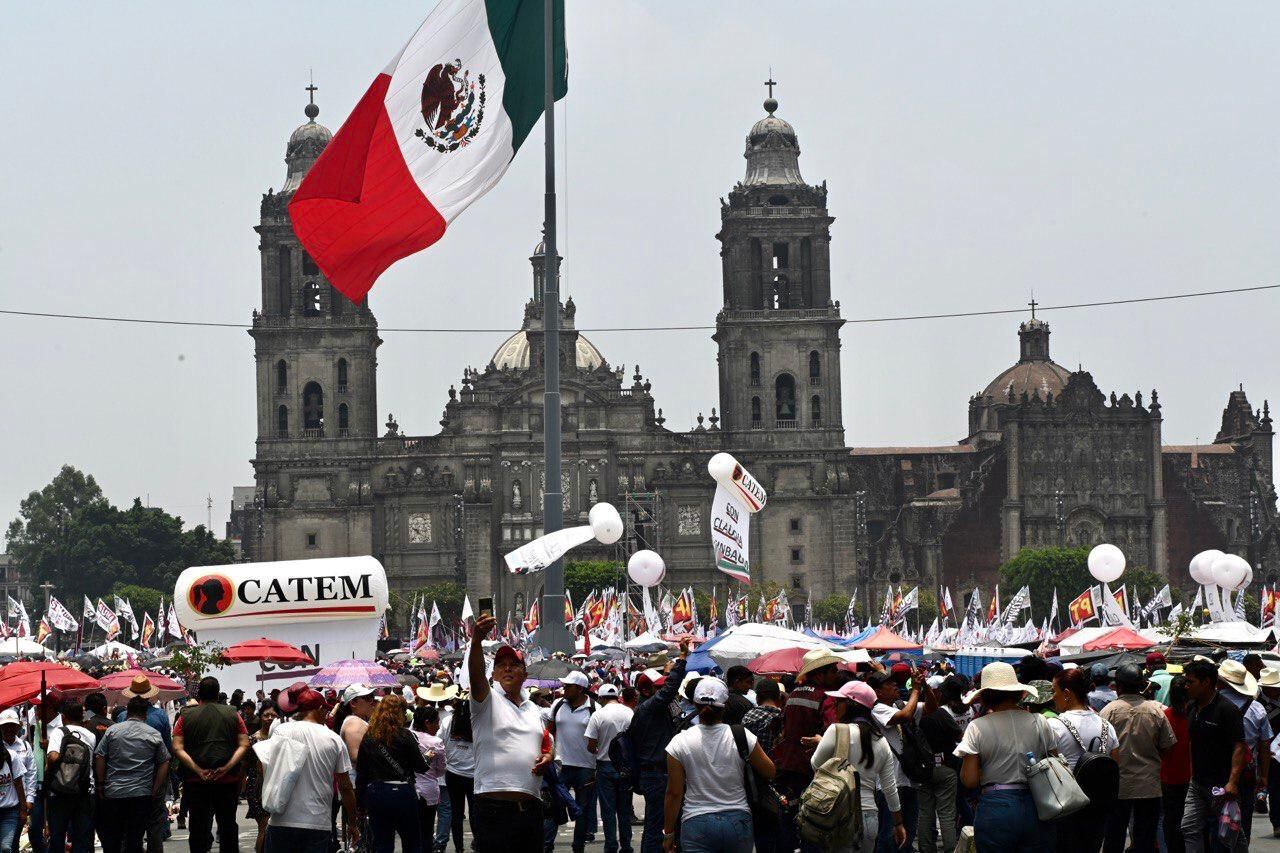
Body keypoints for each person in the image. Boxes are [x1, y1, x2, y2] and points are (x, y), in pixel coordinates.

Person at [468, 613, 551, 853]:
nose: (507, 669)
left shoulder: (534, 709)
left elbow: (545, 743)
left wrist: (547, 757)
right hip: (493, 809)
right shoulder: (486, 700)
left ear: (525, 674)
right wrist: (476, 641)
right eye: (501, 665)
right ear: (492, 675)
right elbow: (475, 674)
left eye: (514, 664)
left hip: (531, 809)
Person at [663, 677, 775, 853]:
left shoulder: (679, 742)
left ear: (694, 703)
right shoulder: (741, 735)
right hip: (737, 821)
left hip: (696, 822)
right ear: (725, 704)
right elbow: (770, 771)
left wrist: (668, 833)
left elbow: (674, 793)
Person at [954, 661, 1055, 852]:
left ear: (984, 696)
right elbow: (1054, 761)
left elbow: (969, 780)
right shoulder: (1039, 721)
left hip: (996, 807)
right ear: (1018, 693)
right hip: (1038, 804)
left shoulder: (977, 727)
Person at [812, 680, 906, 851]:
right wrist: (898, 823)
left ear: (851, 704)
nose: (835, 705)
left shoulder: (836, 731)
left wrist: (824, 745)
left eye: (839, 701)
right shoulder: (881, 740)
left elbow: (816, 765)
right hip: (869, 817)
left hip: (837, 814)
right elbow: (889, 788)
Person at [265, 685, 359, 853]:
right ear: (320, 708)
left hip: (281, 820)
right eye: (326, 710)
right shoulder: (333, 739)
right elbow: (345, 787)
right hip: (316, 823)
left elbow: (266, 768)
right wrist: (352, 823)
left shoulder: (280, 731)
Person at [1099, 663, 1175, 853]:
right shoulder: (1156, 711)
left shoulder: (1108, 711)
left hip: (1117, 786)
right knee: (1145, 839)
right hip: (1148, 785)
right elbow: (1168, 747)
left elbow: (1102, 751)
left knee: (1113, 837)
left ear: (1119, 686)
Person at [772, 648, 844, 849]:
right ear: (820, 674)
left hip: (788, 766)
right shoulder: (825, 697)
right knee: (813, 820)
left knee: (792, 815)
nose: (836, 674)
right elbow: (833, 731)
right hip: (812, 768)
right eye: (833, 670)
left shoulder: (793, 694)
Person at [171, 676, 251, 853]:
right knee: (228, 825)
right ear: (217, 693)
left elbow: (177, 747)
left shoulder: (185, 716)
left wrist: (198, 770)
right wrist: (227, 767)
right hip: (227, 780)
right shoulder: (233, 714)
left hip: (196, 781)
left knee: (198, 827)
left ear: (199, 694)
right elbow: (244, 744)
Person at [1046, 667, 1118, 853]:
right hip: (1098, 809)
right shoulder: (1106, 726)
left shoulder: (1054, 725)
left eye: (1055, 691)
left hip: (1065, 809)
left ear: (1067, 693)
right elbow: (1116, 764)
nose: (1053, 697)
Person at [1179, 658, 1247, 853]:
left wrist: (1233, 782)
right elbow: (1193, 742)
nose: (1186, 686)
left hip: (1221, 786)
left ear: (1206, 682)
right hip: (1198, 783)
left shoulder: (1227, 709)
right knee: (1189, 827)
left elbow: (1239, 747)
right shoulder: (1192, 707)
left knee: (1230, 832)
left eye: (1191, 682)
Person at [629, 643, 689, 853]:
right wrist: (682, 658)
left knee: (662, 826)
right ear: (647, 690)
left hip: (657, 774)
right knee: (656, 828)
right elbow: (671, 688)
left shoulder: (652, 711)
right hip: (656, 775)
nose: (663, 692)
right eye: (658, 688)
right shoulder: (649, 708)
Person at [94, 696, 171, 853]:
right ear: (145, 715)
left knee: (115, 836)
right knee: (135, 838)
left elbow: (99, 756)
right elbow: (165, 761)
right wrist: (155, 788)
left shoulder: (112, 731)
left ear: (127, 712)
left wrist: (101, 784)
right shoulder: (154, 734)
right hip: (141, 794)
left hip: (114, 793)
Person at [869, 666, 931, 853]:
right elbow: (905, 716)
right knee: (888, 838)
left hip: (908, 781)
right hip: (889, 784)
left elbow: (931, 708)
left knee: (907, 836)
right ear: (877, 691)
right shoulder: (877, 709)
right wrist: (915, 690)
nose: (895, 685)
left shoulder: (899, 704)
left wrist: (924, 686)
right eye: (889, 683)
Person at [357, 694, 429, 853]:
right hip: (403, 792)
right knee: (412, 842)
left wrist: (361, 803)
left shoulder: (369, 736)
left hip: (377, 793)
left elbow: (362, 771)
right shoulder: (405, 735)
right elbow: (421, 767)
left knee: (382, 843)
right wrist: (428, 758)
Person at [115, 675, 173, 853]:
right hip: (155, 775)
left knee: (130, 825)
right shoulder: (161, 716)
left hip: (126, 778)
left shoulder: (122, 717)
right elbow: (167, 750)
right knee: (154, 823)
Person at [1216, 658, 1270, 842]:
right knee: (1243, 819)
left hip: (1214, 771)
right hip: (1246, 773)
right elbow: (1264, 745)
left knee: (1213, 819)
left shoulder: (1210, 705)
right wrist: (1263, 775)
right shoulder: (1257, 709)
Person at [546, 670, 598, 853]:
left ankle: (578, 847)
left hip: (586, 767)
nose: (564, 689)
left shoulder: (594, 708)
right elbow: (549, 731)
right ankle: (547, 846)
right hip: (561, 765)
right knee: (553, 806)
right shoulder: (558, 705)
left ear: (579, 688)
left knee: (582, 811)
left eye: (568, 686)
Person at [917, 674, 964, 853]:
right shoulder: (940, 714)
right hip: (945, 766)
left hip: (921, 768)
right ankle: (951, 849)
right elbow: (959, 736)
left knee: (925, 812)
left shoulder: (915, 714)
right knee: (946, 813)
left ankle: (926, 849)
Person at [586, 683, 635, 853]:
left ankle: (611, 846)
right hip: (625, 767)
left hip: (605, 766)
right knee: (624, 810)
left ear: (601, 698)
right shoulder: (629, 712)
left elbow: (591, 746)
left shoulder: (598, 715)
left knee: (608, 811)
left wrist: (602, 748)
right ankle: (627, 846)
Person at [45, 699, 96, 853]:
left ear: (63, 716)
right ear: (82, 717)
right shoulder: (91, 735)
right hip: (85, 790)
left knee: (57, 835)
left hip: (60, 790)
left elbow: (53, 756)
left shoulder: (59, 731)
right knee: (81, 836)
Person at [1160, 677, 1192, 853]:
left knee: (1172, 819)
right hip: (1192, 777)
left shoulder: (1165, 716)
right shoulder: (1196, 714)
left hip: (1168, 777)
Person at [441, 698, 475, 853]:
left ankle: (459, 848)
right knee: (475, 813)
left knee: (456, 814)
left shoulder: (448, 722)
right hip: (474, 775)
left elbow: (440, 743)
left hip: (453, 773)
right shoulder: (477, 721)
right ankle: (478, 843)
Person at [411, 707, 446, 852]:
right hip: (429, 791)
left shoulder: (407, 736)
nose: (438, 725)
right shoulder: (436, 742)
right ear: (427, 723)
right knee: (426, 831)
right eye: (437, 722)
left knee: (411, 833)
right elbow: (441, 770)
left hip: (409, 790)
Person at [244, 704, 277, 853]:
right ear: (261, 717)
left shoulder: (281, 740)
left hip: (277, 785)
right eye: (266, 715)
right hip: (257, 786)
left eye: (273, 715)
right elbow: (244, 766)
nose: (270, 718)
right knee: (264, 826)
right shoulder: (253, 740)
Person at [0, 709, 31, 853]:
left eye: (12, 726)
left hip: (12, 809)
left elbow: (26, 778)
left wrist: (25, 806)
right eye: (5, 726)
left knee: (8, 846)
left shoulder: (17, 751)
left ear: (18, 727)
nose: (8, 729)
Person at [740, 678, 784, 756]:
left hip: (752, 765)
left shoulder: (749, 716)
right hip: (778, 765)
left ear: (757, 698)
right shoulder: (784, 718)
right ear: (779, 697)